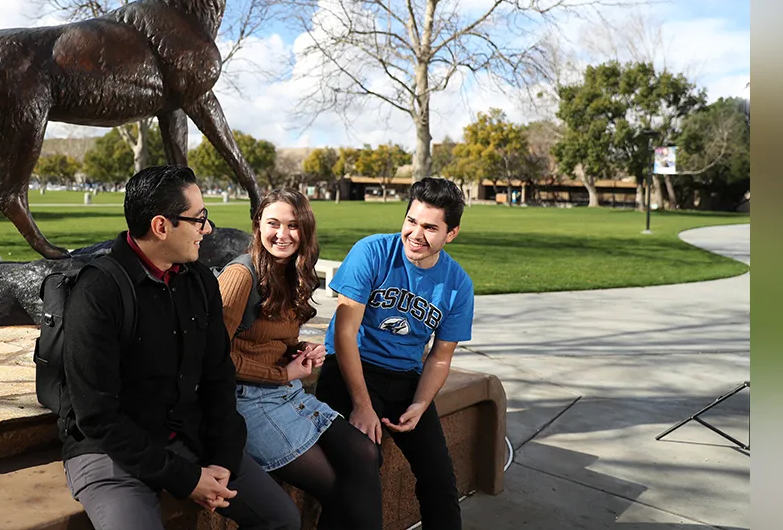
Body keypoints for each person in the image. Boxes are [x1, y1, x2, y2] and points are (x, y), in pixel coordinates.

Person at [61, 165, 300, 530]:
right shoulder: (98, 292)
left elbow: (218, 375)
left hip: (189, 437)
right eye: (199, 219)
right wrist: (186, 478)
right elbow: (97, 417)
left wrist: (222, 459)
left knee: (282, 518)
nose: (207, 229)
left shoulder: (200, 280)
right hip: (111, 452)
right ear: (161, 226)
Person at [315, 177, 475, 530]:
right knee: (362, 463)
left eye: (431, 227)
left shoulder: (458, 284)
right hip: (349, 367)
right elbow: (344, 333)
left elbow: (440, 357)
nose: (417, 234)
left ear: (451, 234)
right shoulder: (371, 252)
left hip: (405, 379)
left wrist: (420, 404)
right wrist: (361, 404)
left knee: (440, 478)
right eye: (411, 221)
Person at [217, 189, 382, 530]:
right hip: (244, 401)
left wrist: (299, 352)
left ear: (305, 229)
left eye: (293, 225)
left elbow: (274, 339)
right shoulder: (240, 277)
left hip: (287, 392)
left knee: (367, 454)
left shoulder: (295, 272)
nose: (283, 234)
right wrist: (281, 373)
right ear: (257, 225)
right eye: (273, 223)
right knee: (338, 489)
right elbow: (211, 358)